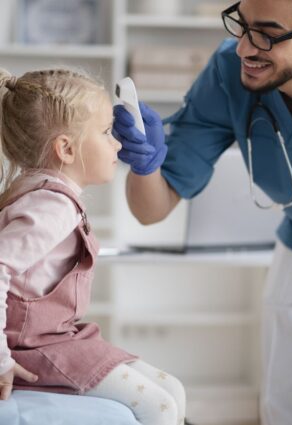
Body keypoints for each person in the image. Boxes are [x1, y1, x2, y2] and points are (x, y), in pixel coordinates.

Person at [112, 0, 292, 424]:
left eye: (267, 33)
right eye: (242, 25)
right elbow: (152, 210)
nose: (246, 47)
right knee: (287, 410)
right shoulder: (230, 72)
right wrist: (145, 163)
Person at [0, 68, 186, 425]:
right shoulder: (51, 207)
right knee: (160, 406)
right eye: (105, 133)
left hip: (58, 338)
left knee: (172, 392)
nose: (117, 143)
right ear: (66, 149)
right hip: (36, 348)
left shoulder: (43, 192)